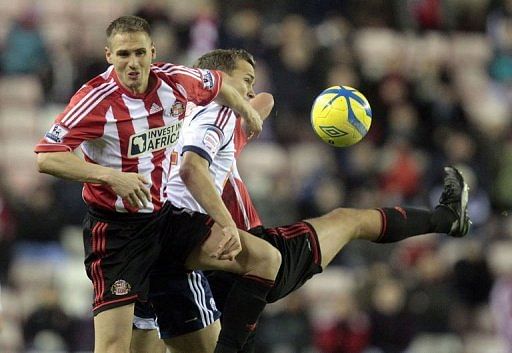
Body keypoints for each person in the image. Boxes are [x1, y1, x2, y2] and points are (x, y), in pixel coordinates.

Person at [132, 48, 471, 353]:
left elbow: (263, 101)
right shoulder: (218, 115)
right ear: (219, 79)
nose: (250, 91)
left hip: (185, 256)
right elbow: (197, 166)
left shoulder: (177, 119)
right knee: (347, 220)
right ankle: (445, 218)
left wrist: (242, 102)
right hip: (236, 248)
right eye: (245, 81)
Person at [34, 16, 265, 353]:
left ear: (152, 52)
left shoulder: (176, 80)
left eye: (140, 52)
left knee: (262, 258)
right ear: (109, 56)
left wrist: (246, 109)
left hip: (164, 217)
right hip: (117, 233)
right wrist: (111, 176)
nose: (133, 63)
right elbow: (47, 157)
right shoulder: (95, 100)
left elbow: (219, 84)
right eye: (124, 54)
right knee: (115, 346)